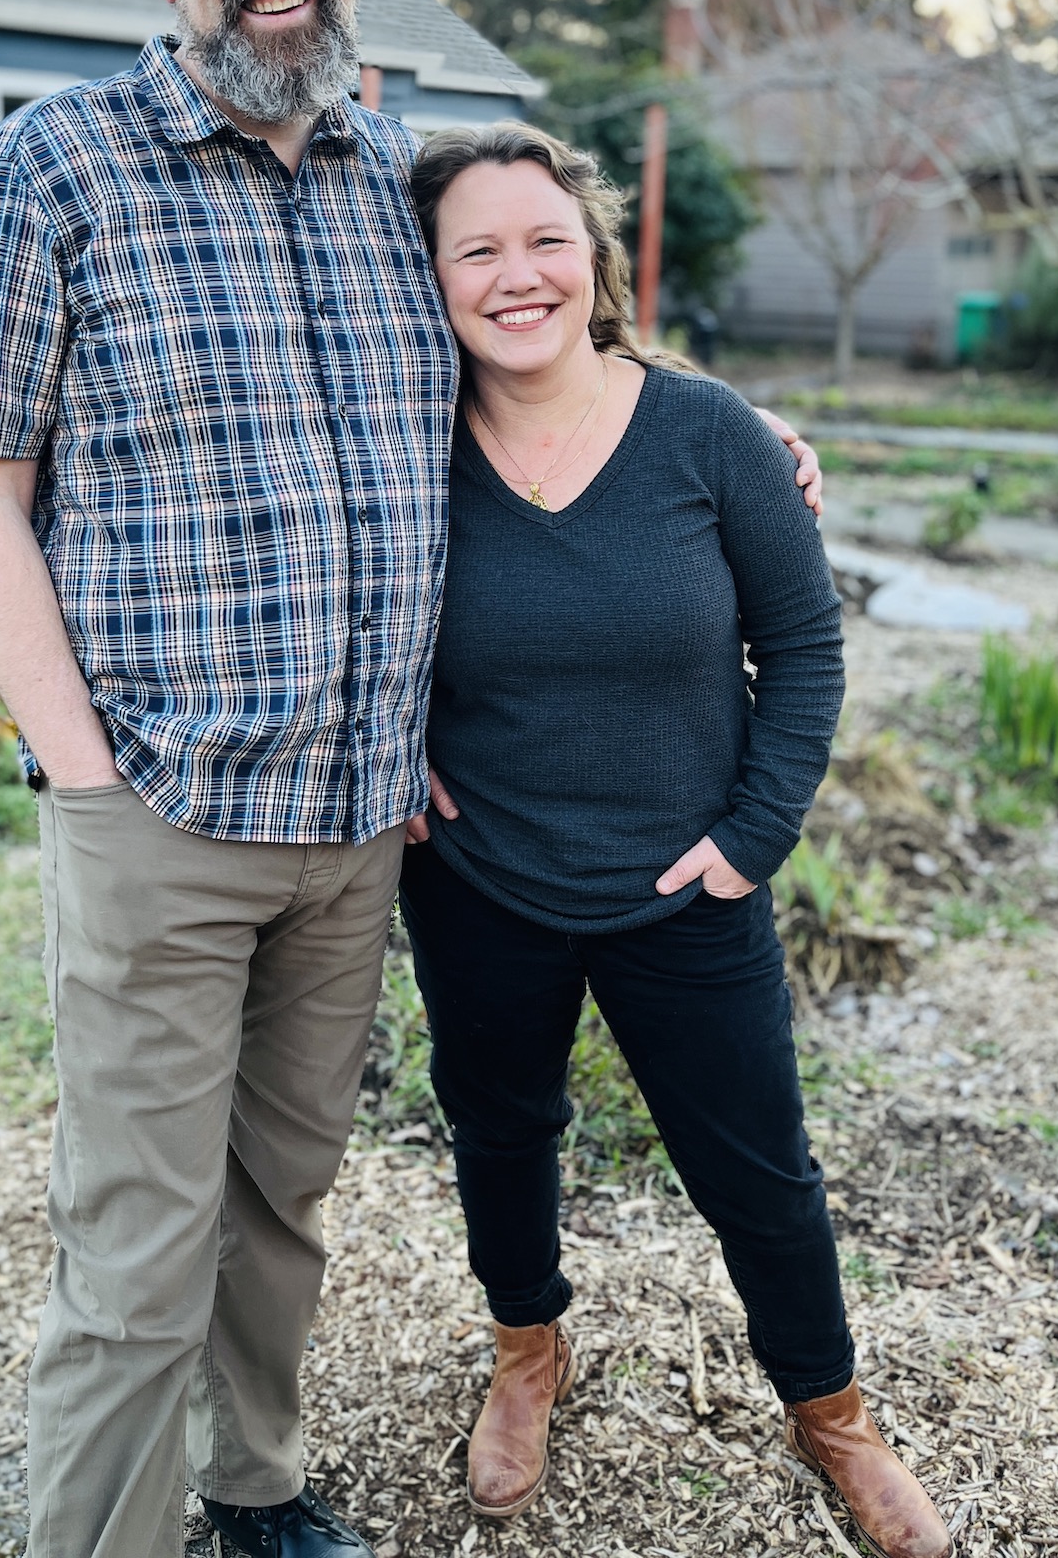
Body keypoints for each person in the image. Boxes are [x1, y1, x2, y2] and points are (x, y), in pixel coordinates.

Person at [0, 0, 825, 1558]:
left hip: (365, 830)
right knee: (135, 1245)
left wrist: (733, 439)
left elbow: (547, 342)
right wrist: (85, 779)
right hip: (159, 809)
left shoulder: (398, 187)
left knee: (285, 1202)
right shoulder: (51, 175)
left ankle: (252, 1487)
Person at [400, 124, 951, 1558]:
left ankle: (833, 1414)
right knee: (501, 1131)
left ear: (594, 257)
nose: (517, 275)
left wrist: (752, 839)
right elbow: (343, 609)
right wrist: (391, 755)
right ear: (433, 276)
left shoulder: (710, 434)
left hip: (685, 890)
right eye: (477, 249)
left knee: (758, 1171)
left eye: (545, 241)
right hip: (479, 885)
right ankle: (530, 1353)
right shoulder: (400, 441)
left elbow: (807, 649)